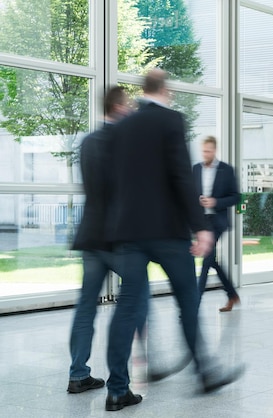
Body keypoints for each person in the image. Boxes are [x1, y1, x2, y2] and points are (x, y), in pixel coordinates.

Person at [104, 69, 243, 411]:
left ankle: (117, 390)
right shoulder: (171, 121)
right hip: (167, 232)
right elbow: (182, 176)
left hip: (130, 233)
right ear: (164, 90)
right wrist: (202, 227)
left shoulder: (121, 127)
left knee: (126, 308)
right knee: (187, 303)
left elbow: (114, 183)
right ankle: (206, 373)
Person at [68, 86, 142, 394]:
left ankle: (77, 374)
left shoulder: (87, 142)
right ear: (121, 107)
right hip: (119, 239)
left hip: (90, 236)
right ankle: (119, 386)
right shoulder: (127, 143)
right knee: (135, 302)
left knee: (86, 306)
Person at [193, 136, 241, 312]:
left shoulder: (226, 170)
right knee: (212, 260)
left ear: (215, 150)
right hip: (202, 222)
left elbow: (236, 196)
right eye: (204, 151)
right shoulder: (196, 169)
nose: (206, 154)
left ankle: (194, 304)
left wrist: (215, 202)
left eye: (209, 151)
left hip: (217, 222)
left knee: (206, 261)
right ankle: (232, 294)